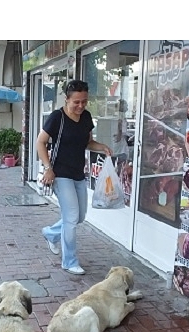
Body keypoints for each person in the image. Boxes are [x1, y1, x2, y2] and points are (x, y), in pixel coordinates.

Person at [35, 79, 112, 275]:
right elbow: (40, 143)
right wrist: (48, 168)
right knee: (70, 217)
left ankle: (51, 234)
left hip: (78, 173)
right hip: (60, 174)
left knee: (79, 216)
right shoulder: (57, 118)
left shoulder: (86, 117)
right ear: (66, 99)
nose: (80, 106)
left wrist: (101, 147)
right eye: (76, 102)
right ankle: (69, 261)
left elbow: (88, 142)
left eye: (84, 101)